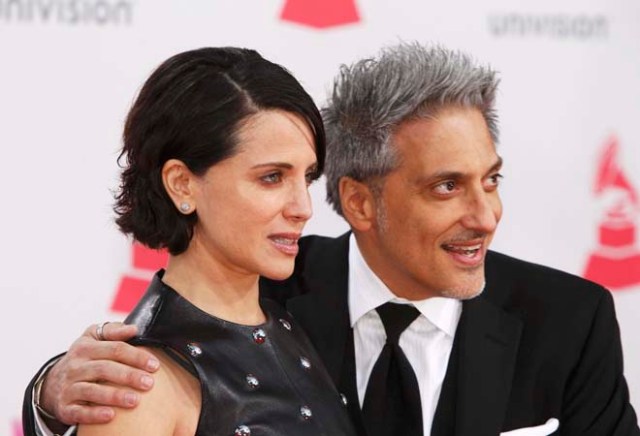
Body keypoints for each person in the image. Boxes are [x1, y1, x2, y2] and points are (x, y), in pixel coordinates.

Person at [24, 43, 640, 436]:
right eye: (446, 187)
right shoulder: (277, 287)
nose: (487, 216)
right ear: (359, 202)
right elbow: (149, 370)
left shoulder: (570, 322)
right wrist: (54, 394)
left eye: (492, 180)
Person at [25, 47, 358, 436]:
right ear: (182, 183)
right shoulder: (139, 387)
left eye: (308, 178)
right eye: (272, 177)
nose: (303, 207)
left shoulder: (293, 323)